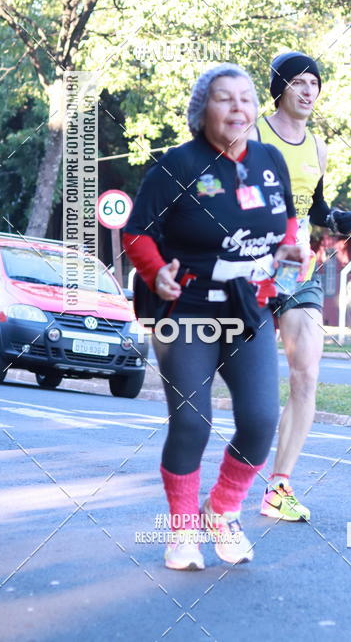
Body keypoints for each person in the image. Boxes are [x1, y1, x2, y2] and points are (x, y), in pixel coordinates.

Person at [123, 64, 308, 571]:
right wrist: (156, 271)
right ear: (203, 109)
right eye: (224, 99)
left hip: (248, 305)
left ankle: (221, 512)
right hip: (186, 309)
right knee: (192, 422)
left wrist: (290, 248)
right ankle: (182, 532)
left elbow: (286, 216)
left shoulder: (270, 159)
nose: (237, 109)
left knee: (261, 421)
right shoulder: (176, 166)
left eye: (245, 99)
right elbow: (137, 232)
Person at [253, 51, 351, 522]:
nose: (309, 90)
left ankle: (279, 486)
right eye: (299, 81)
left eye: (315, 82)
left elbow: (313, 208)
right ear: (280, 88)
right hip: (249, 269)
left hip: (299, 273)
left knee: (307, 373)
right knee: (248, 386)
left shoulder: (318, 147)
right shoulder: (251, 133)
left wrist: (334, 219)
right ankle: (224, 475)